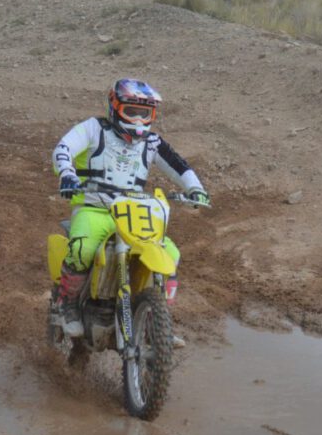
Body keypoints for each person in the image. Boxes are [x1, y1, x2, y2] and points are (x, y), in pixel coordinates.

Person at [52, 78, 210, 344]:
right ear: (115, 107)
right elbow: (63, 148)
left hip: (134, 212)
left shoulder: (152, 142)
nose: (138, 120)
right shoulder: (93, 129)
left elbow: (178, 165)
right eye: (132, 111)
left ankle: (157, 322)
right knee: (83, 249)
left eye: (144, 113)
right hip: (95, 208)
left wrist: (195, 188)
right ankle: (67, 305)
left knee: (171, 254)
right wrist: (67, 174)